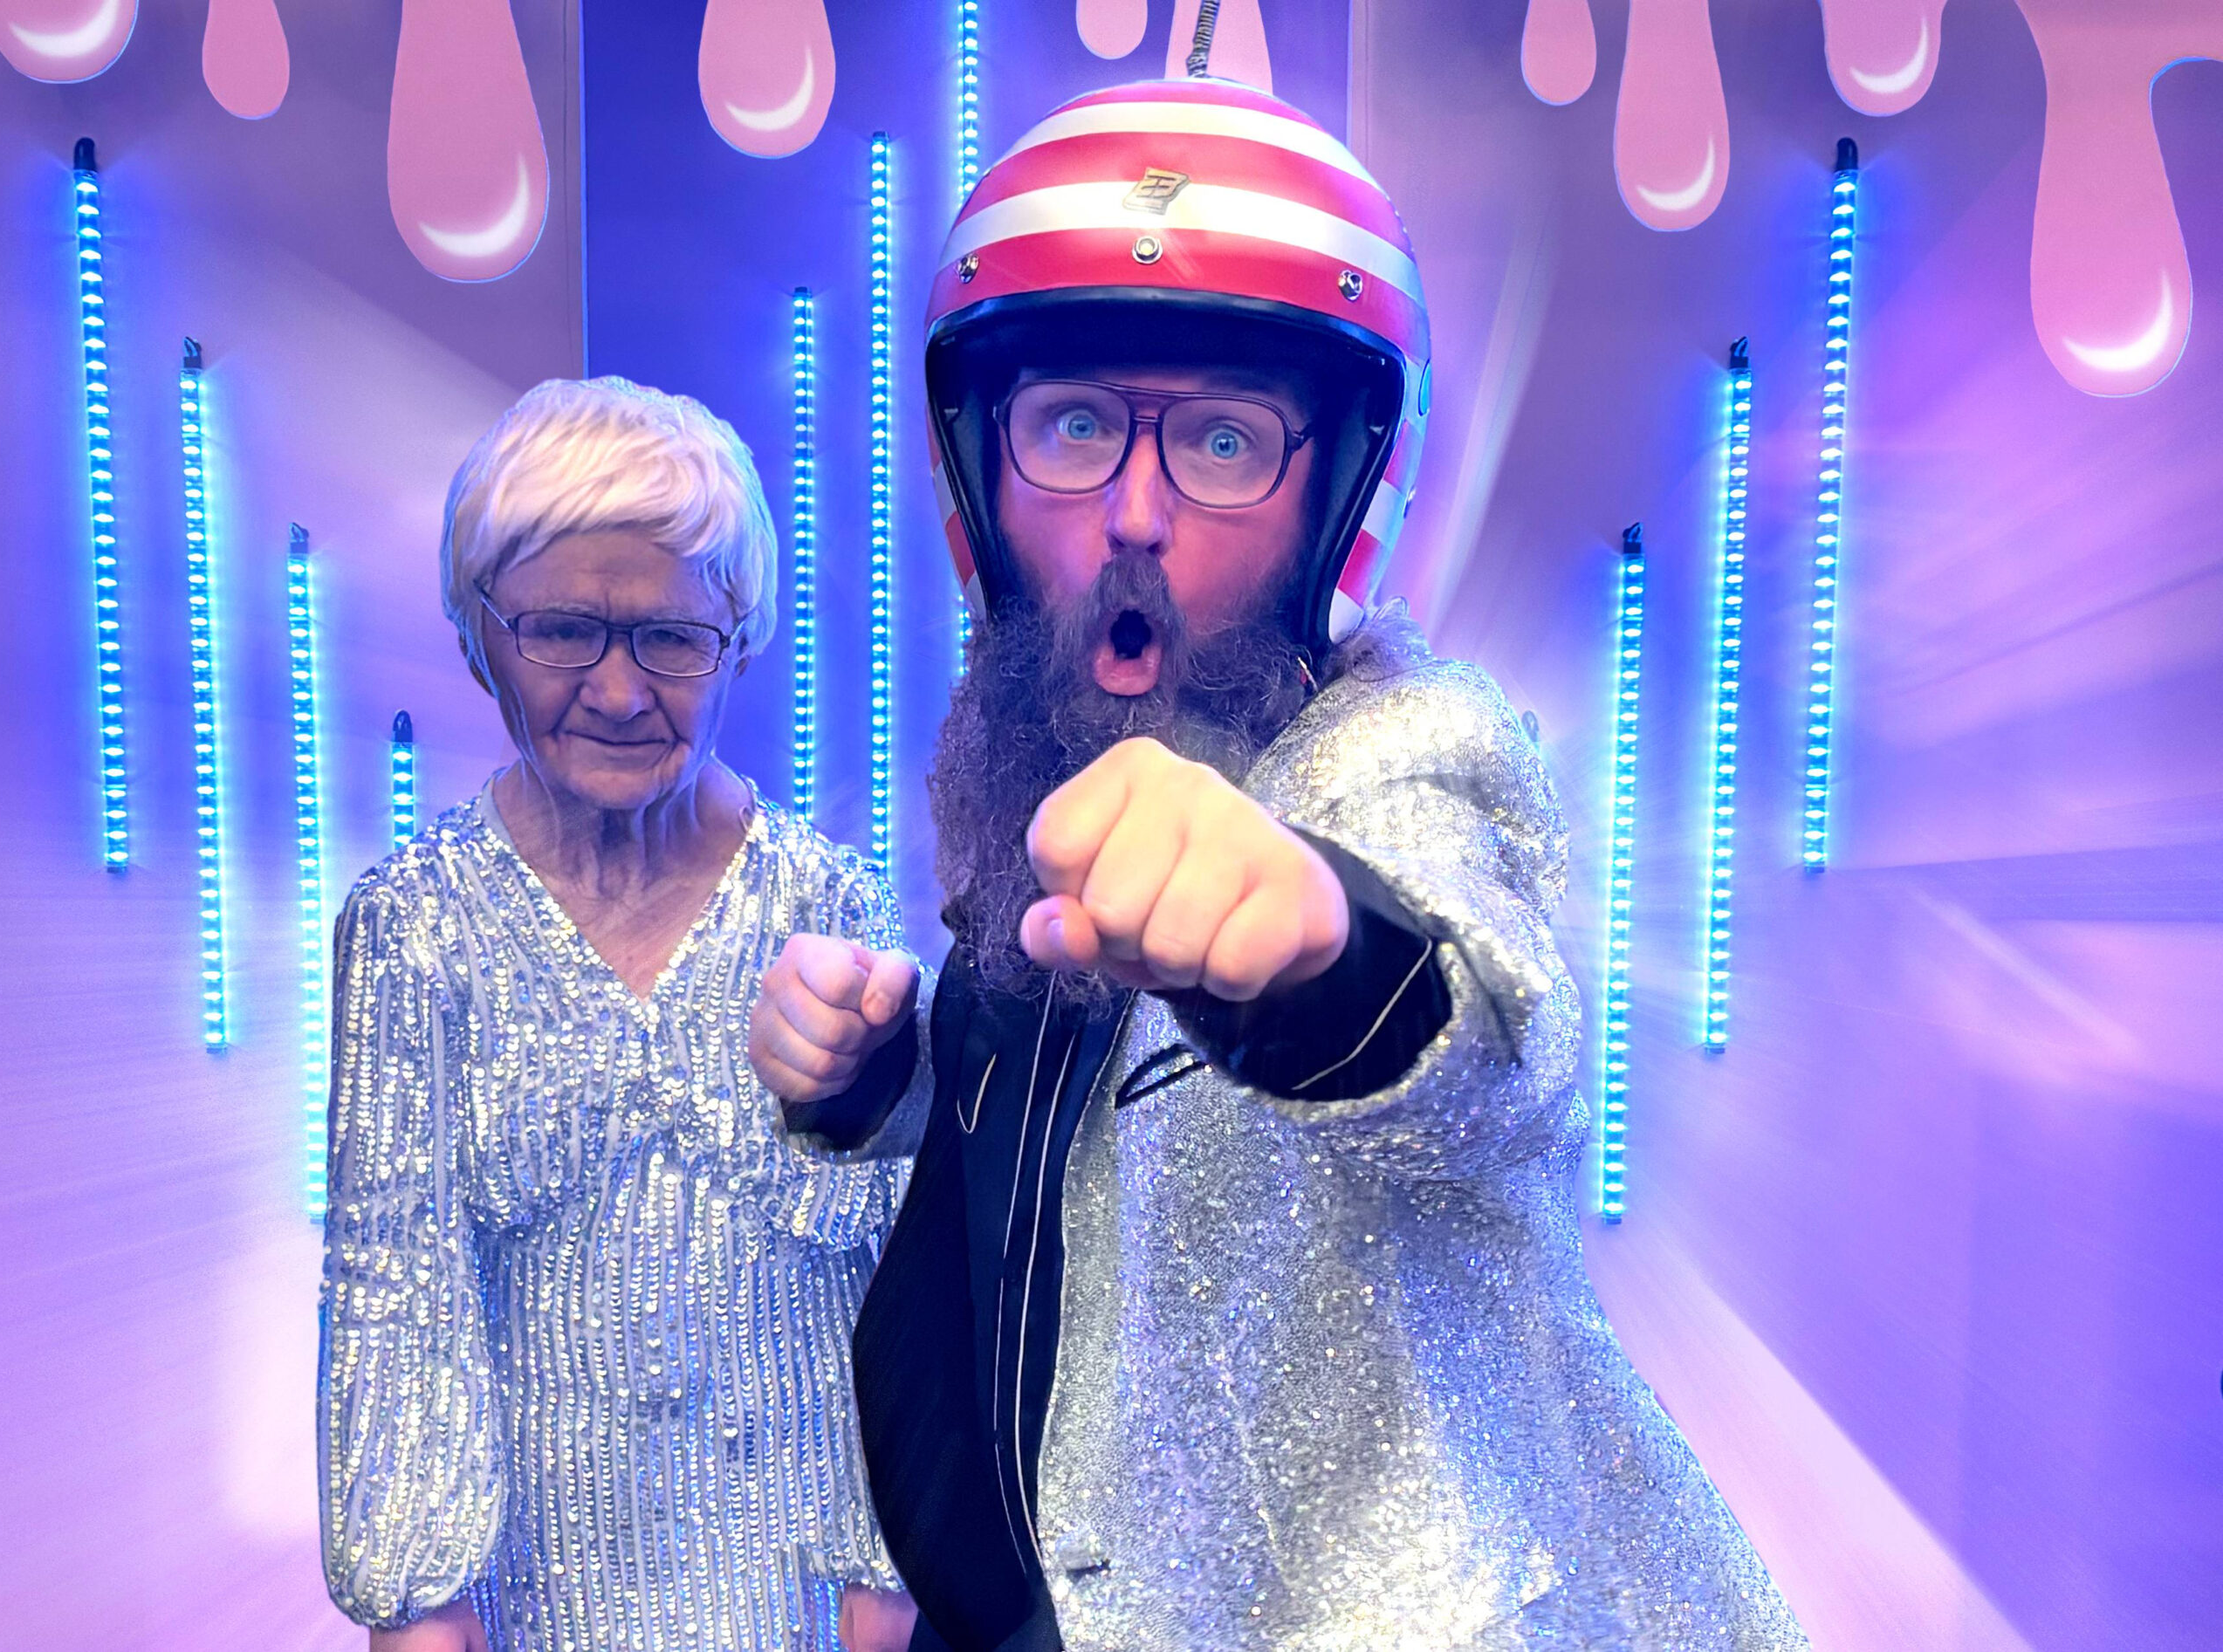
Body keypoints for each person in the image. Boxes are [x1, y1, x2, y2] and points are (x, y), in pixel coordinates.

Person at [750, 76, 1808, 1650]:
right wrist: (878, 1076)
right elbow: (1073, 1146)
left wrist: (1319, 957)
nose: (1133, 513)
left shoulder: (1406, 758)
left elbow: (1490, 1036)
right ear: (984, 466)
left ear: (1340, 494)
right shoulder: (1035, 757)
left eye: (1226, 440)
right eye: (1074, 424)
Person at [319, 377, 920, 1652]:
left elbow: (888, 1274)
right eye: (562, 631)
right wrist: (417, 1609)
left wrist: (887, 1576)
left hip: (803, 1608)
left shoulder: (831, 903)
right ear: (479, 636)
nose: (617, 689)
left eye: (670, 638)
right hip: (538, 1609)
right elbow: (392, 1292)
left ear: (738, 642)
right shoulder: (410, 926)